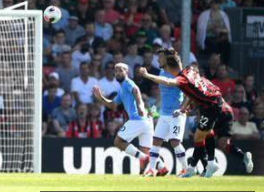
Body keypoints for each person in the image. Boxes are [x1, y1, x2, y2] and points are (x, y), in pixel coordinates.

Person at [138, 54, 253, 177]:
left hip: (220, 111)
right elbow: (190, 98)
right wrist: (183, 109)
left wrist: (147, 75)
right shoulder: (197, 81)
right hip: (218, 109)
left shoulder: (186, 79)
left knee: (199, 137)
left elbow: (173, 84)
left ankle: (194, 168)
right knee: (217, 140)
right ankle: (221, 161)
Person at [92, 63, 153, 174]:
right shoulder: (122, 90)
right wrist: (100, 97)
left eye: (121, 70)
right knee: (145, 151)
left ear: (127, 72)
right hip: (146, 121)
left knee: (118, 141)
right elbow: (113, 106)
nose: (118, 72)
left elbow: (136, 90)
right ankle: (160, 167)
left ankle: (143, 158)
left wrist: (140, 106)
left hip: (137, 119)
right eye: (116, 71)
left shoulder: (128, 83)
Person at [143, 48, 188, 177]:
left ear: (167, 59)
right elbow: (162, 94)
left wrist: (182, 108)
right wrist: (154, 108)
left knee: (175, 142)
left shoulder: (179, 74)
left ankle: (186, 169)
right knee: (156, 140)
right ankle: (151, 169)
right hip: (164, 113)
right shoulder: (162, 72)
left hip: (176, 114)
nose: (158, 60)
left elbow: (188, 95)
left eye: (160, 57)